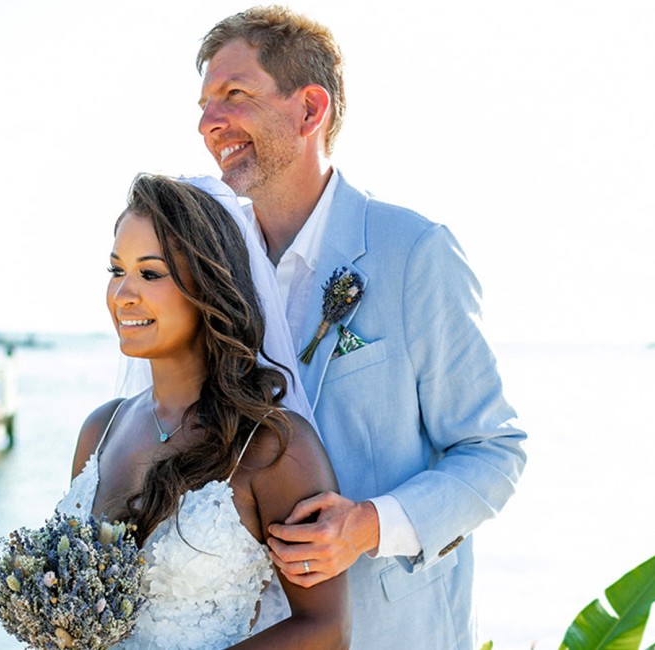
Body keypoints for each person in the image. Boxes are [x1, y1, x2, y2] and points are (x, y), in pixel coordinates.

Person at [195, 6, 528, 649]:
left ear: (310, 110)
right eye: (205, 103)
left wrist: (368, 526)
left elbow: (494, 450)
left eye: (234, 95)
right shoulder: (212, 272)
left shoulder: (413, 251)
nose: (210, 123)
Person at [57, 173, 350, 649]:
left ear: (208, 287)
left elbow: (326, 629)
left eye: (150, 274)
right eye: (116, 271)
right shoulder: (100, 430)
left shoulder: (274, 446)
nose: (122, 294)